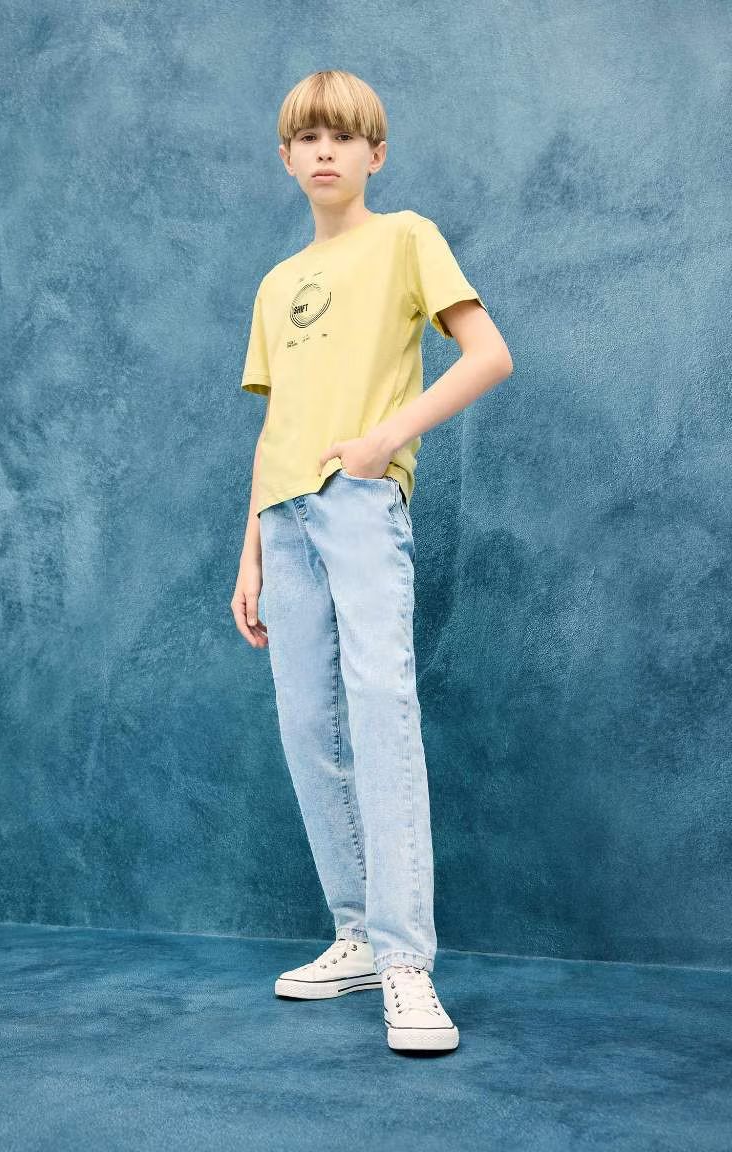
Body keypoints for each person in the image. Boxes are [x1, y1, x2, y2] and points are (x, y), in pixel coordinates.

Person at [231, 69, 513, 1054]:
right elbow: (276, 423)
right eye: (306, 138)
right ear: (285, 159)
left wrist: (383, 441)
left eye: (342, 137)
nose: (324, 151)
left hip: (360, 501)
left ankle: (406, 964)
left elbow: (488, 355)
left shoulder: (405, 239)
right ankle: (354, 935)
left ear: (374, 154)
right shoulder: (276, 284)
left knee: (382, 713)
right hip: (284, 520)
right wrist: (249, 552)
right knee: (308, 726)